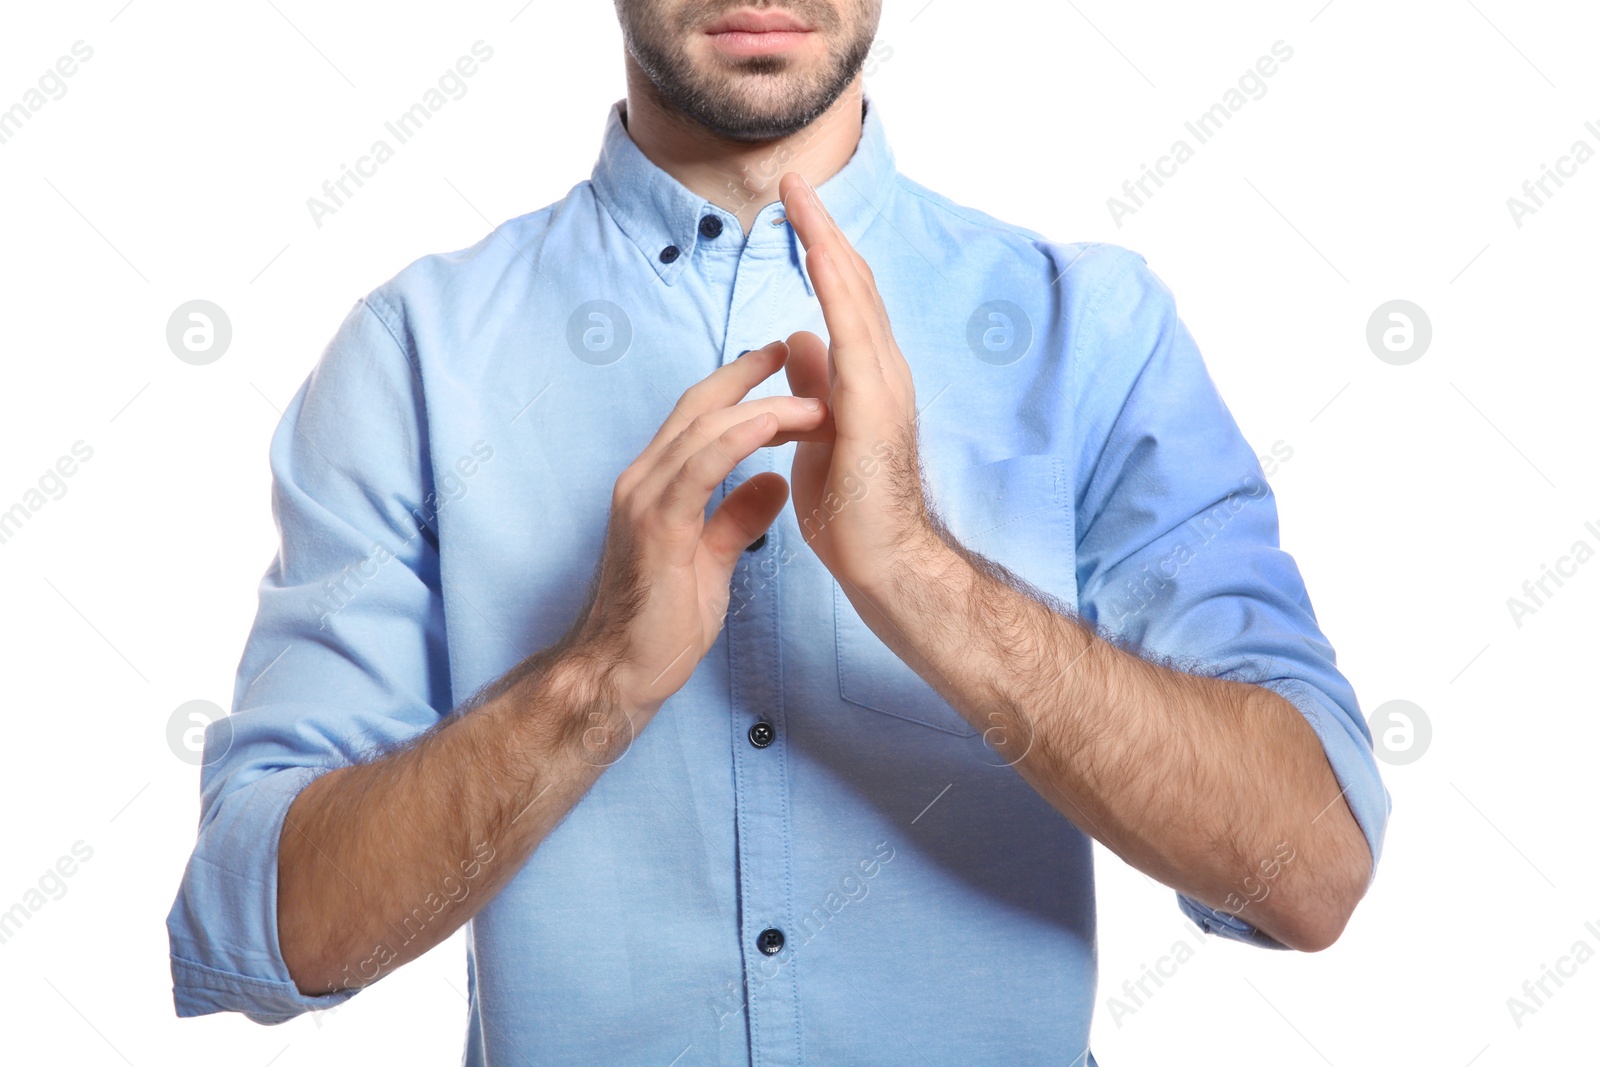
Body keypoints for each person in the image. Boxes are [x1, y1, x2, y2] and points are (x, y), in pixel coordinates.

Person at [166, 1, 1390, 1062]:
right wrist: (591, 680)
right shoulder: (414, 355)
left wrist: (918, 572)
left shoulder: (1094, 331)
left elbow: (1309, 871)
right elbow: (270, 929)